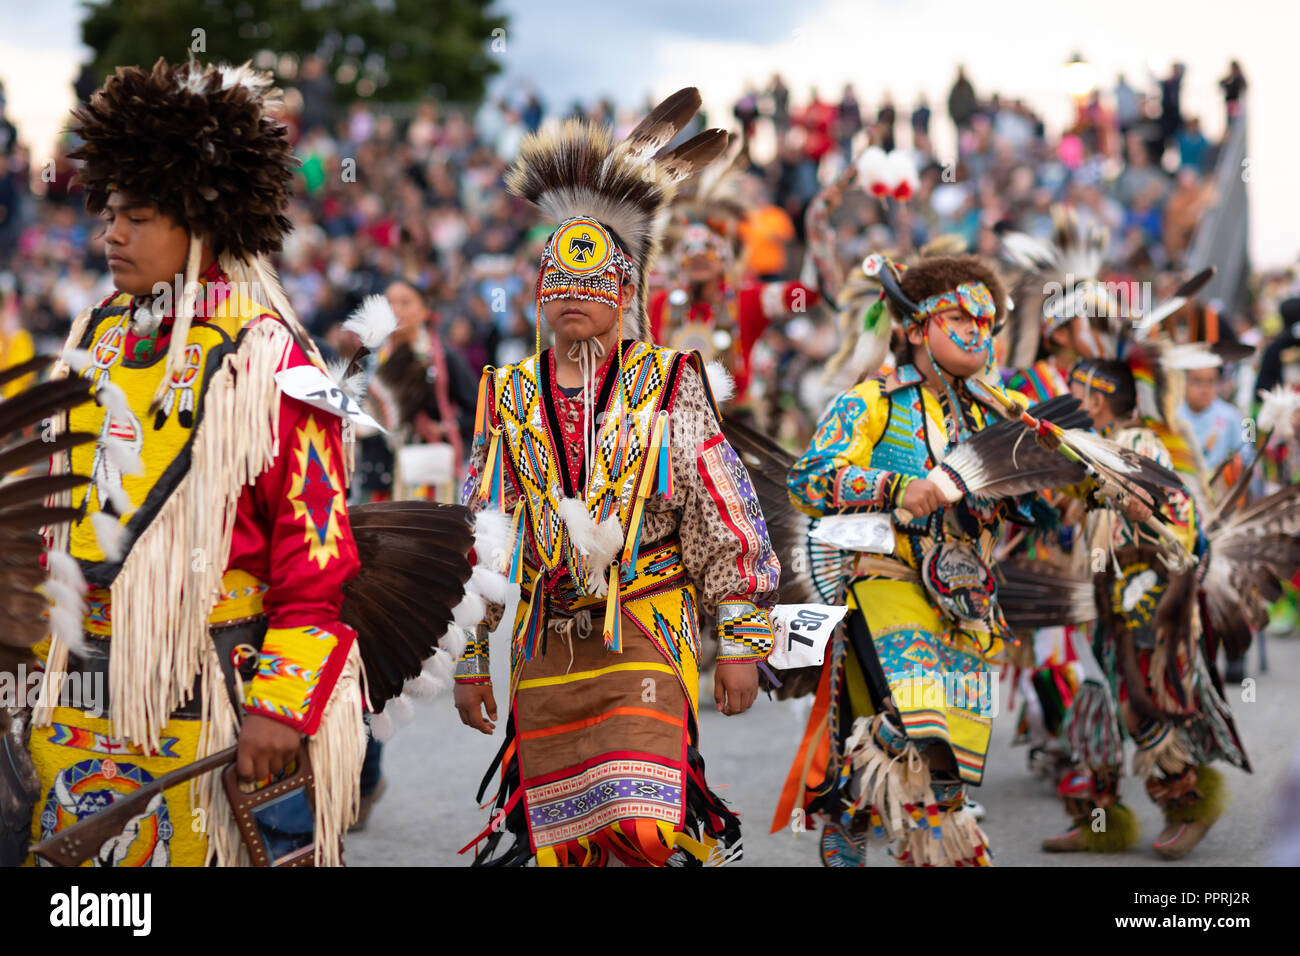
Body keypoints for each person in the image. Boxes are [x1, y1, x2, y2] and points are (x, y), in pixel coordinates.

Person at [23, 59, 368, 866]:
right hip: (77, 688)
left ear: (200, 224)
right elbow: (46, 509)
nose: (111, 233)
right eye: (108, 213)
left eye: (137, 216)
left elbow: (316, 549)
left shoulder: (273, 354)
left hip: (214, 684)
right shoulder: (95, 337)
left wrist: (282, 702)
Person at [453, 91, 781, 867]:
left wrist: (739, 638)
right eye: (558, 286)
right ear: (539, 296)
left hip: (646, 625)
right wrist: (470, 656)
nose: (573, 298)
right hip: (548, 640)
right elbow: (485, 532)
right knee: (568, 844)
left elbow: (720, 506)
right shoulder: (507, 393)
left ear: (625, 295)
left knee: (640, 824)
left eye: (591, 284)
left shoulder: (670, 382)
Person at [774, 253, 1078, 867]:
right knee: (923, 716)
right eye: (960, 318)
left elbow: (1051, 478)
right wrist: (893, 488)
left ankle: (862, 805)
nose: (977, 334)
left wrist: (1089, 488)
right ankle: (850, 797)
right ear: (916, 330)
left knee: (944, 766)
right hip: (885, 578)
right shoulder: (872, 400)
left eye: (987, 325)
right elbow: (809, 480)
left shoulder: (1001, 411)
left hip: (967, 598)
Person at [1045, 358, 1248, 859]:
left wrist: (1148, 506)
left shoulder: (1139, 443)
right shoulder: (1092, 444)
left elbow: (1179, 511)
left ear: (1096, 397)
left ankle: (1190, 805)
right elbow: (1078, 494)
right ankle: (1100, 821)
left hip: (1140, 600)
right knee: (1097, 710)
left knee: (1139, 707)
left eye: (1075, 389)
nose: (1069, 394)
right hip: (1100, 599)